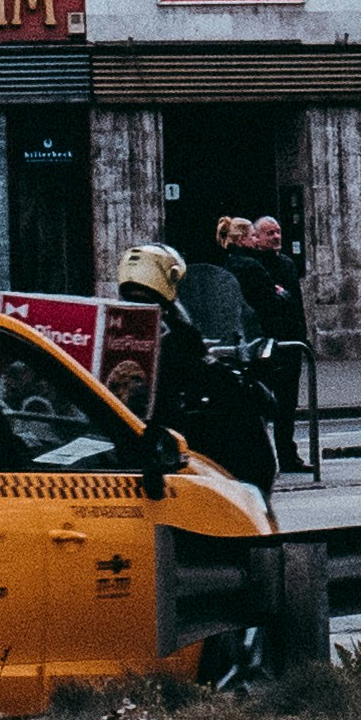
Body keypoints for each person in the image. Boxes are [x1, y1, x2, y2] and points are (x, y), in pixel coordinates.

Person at [111, 239, 275, 501]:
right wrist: (249, 390)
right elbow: (208, 373)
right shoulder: (174, 331)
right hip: (166, 431)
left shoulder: (116, 321)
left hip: (129, 430)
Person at [224, 209, 310, 482]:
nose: (275, 237)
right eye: (268, 233)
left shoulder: (285, 263)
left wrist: (302, 337)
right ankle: (265, 458)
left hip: (288, 341)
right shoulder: (249, 265)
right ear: (255, 239)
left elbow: (295, 304)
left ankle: (287, 455)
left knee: (287, 403)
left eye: (278, 232)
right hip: (264, 342)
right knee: (262, 402)